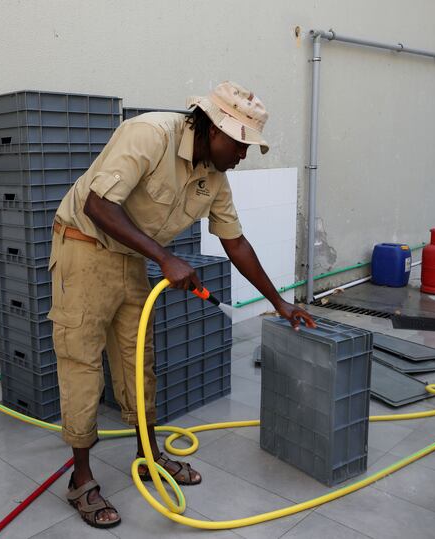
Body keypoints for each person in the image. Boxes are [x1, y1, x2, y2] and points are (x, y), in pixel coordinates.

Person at [48, 81, 316, 528]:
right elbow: (97, 205)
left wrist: (279, 303)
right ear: (214, 128)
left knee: (139, 362)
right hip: (84, 247)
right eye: (240, 144)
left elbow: (236, 242)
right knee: (81, 362)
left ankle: (148, 456)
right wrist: (164, 257)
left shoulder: (215, 175)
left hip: (131, 258)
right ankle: (81, 478)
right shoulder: (151, 134)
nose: (244, 155)